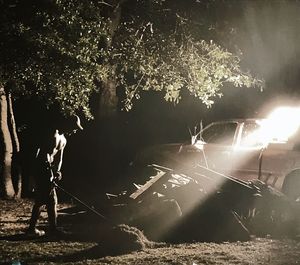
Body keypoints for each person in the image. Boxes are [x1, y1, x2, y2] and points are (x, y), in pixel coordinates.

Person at [26, 115, 83, 236]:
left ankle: (40, 228)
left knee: (46, 199)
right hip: (41, 168)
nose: (74, 130)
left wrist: (57, 171)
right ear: (67, 124)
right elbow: (41, 153)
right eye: (73, 127)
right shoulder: (52, 133)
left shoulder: (64, 140)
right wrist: (38, 172)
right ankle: (45, 229)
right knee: (48, 199)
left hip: (49, 169)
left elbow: (59, 159)